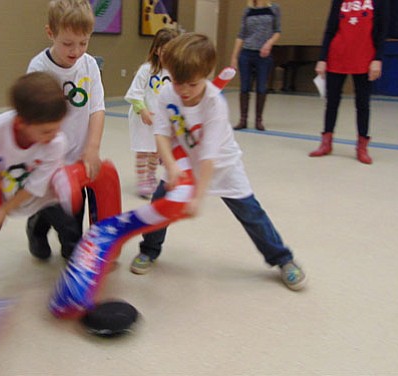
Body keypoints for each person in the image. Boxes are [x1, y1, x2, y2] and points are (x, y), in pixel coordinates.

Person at [129, 32, 307, 291]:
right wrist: (170, 166)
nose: (184, 91)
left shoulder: (214, 103)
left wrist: (198, 198)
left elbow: (209, 155)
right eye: (178, 82)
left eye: (191, 84)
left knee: (251, 213)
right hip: (184, 164)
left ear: (206, 73)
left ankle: (283, 259)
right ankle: (149, 250)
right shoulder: (168, 92)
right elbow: (161, 133)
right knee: (160, 205)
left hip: (222, 164)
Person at [0, 71, 68, 286]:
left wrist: (8, 208)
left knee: (68, 223)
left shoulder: (56, 142)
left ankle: (76, 260)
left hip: (43, 194)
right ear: (21, 124)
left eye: (57, 128)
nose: (54, 135)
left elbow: (37, 185)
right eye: (46, 131)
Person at [25, 0, 106, 260]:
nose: (76, 51)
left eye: (83, 43)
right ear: (50, 33)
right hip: (48, 160)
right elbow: (33, 122)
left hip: (78, 157)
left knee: (74, 213)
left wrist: (92, 148)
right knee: (60, 215)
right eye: (68, 43)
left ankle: (71, 249)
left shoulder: (89, 65)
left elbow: (97, 109)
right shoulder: (39, 68)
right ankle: (37, 228)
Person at [309, 0, 388, 164]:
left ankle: (362, 146)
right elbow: (330, 30)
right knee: (332, 102)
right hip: (337, 57)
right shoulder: (339, 1)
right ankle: (326, 142)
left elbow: (381, 31)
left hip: (364, 58)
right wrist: (322, 59)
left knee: (362, 103)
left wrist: (378, 59)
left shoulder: (376, 2)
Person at [124, 28, 179, 199]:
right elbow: (135, 93)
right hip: (143, 117)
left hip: (161, 120)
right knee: (143, 150)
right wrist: (143, 110)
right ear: (156, 50)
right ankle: (142, 180)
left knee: (156, 150)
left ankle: (151, 176)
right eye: (165, 51)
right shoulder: (146, 70)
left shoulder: (174, 72)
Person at [230, 0, 281, 131]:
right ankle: (243, 120)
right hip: (246, 53)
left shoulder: (274, 9)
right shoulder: (248, 10)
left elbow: (277, 31)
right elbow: (241, 35)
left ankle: (259, 120)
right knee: (245, 87)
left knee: (261, 87)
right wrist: (234, 56)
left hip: (263, 55)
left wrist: (269, 43)